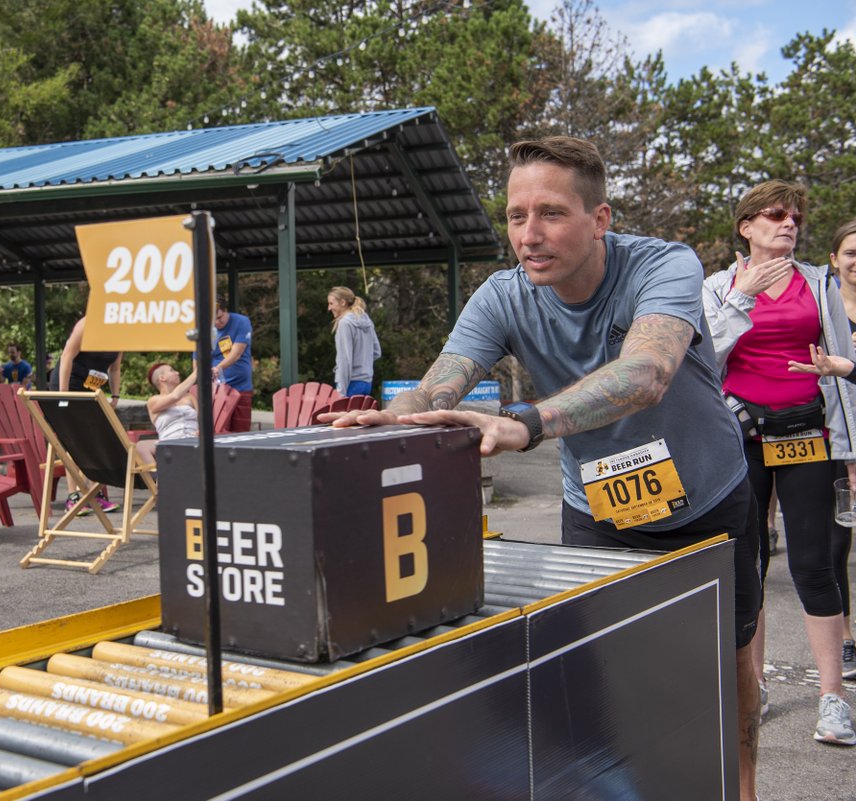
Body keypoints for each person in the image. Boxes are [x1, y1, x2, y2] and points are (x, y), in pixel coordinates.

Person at [325, 136, 763, 798]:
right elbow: (443, 382)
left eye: (552, 213)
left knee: (729, 673)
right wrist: (400, 416)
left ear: (601, 219)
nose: (529, 234)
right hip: (598, 510)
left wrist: (526, 421)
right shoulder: (502, 295)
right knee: (597, 678)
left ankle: (743, 788)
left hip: (709, 499)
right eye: (515, 215)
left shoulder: (664, 264)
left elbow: (646, 373)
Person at [704, 182, 856, 747]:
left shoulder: (820, 283)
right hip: (740, 432)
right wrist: (741, 296)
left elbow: (846, 367)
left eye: (795, 216)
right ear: (746, 226)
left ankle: (833, 698)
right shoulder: (718, 286)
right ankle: (754, 685)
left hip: (805, 431)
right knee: (751, 563)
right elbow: (702, 358)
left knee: (815, 565)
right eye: (774, 214)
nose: (788, 223)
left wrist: (850, 451)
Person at [778, 217, 856, 683]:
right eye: (850, 253)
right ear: (834, 259)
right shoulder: (822, 306)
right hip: (834, 439)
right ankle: (845, 639)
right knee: (834, 545)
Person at [57, 317, 122, 515]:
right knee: (75, 440)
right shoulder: (86, 324)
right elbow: (67, 356)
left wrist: (115, 396)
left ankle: (95, 494)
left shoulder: (122, 331)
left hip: (94, 390)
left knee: (96, 440)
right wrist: (63, 395)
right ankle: (74, 496)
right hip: (71, 384)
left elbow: (115, 368)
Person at [135, 362, 200, 465]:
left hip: (194, 441)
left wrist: (201, 431)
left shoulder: (190, 397)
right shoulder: (153, 401)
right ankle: (157, 477)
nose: (177, 373)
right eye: (172, 370)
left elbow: (204, 421)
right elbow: (174, 397)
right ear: (162, 378)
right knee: (141, 446)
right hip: (169, 444)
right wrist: (196, 373)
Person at [328, 286, 381, 397]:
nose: (329, 308)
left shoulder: (344, 323)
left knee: (339, 414)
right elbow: (377, 352)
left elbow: (345, 360)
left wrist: (341, 393)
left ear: (342, 302)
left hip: (350, 384)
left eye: (331, 303)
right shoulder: (366, 320)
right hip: (366, 383)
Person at [211, 297, 253, 432]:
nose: (217, 322)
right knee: (219, 430)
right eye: (213, 320)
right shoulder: (204, 328)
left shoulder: (241, 322)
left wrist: (218, 368)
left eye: (220, 317)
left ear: (225, 310)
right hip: (217, 390)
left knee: (241, 432)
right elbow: (197, 360)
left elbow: (236, 354)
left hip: (241, 387)